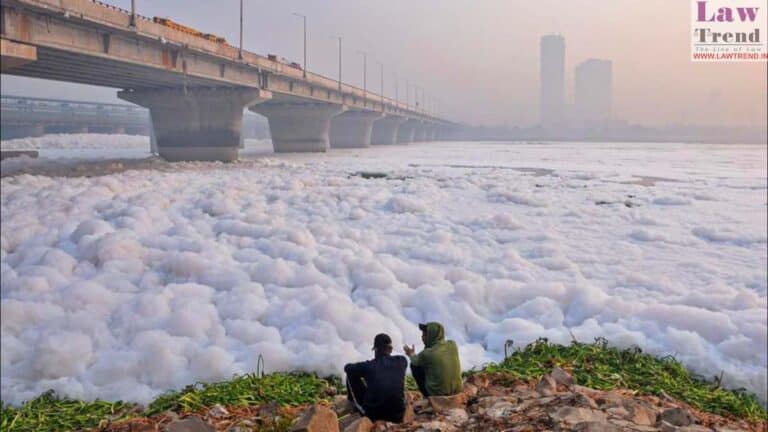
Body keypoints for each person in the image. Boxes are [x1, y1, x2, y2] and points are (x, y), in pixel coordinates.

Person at [344, 333, 408, 423]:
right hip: (398, 414)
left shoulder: (368, 366)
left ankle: (355, 406)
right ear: (390, 349)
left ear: (376, 350)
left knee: (350, 374)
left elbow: (347, 368)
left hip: (374, 415)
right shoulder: (402, 361)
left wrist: (362, 369)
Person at [403, 322, 462, 397]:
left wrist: (411, 354)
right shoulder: (452, 344)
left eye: (425, 334)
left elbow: (415, 361)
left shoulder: (427, 353)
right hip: (458, 390)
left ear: (431, 336)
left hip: (438, 394)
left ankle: (428, 396)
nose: (422, 337)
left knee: (415, 366)